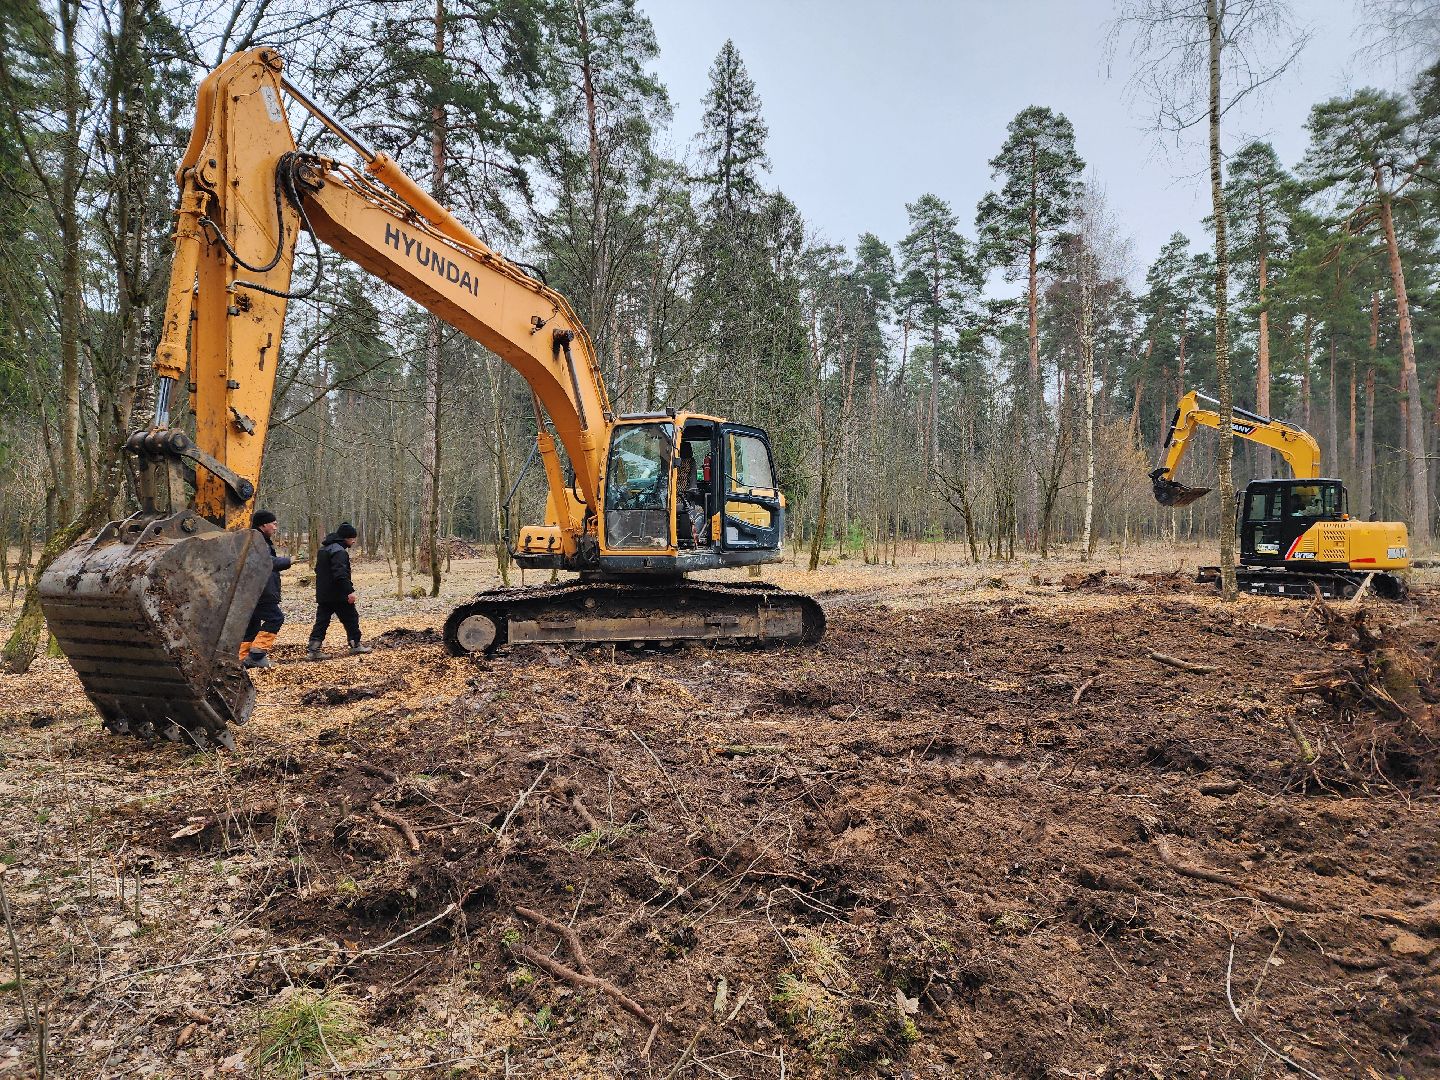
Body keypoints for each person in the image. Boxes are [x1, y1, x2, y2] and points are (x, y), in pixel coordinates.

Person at [308, 522, 372, 659]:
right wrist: (349, 591)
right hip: (338, 594)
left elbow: (318, 570)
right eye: (352, 538)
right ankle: (355, 645)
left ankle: (313, 649)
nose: (354, 541)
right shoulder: (339, 552)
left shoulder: (324, 549)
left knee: (321, 621)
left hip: (324, 594)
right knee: (351, 618)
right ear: (346, 538)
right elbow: (341, 574)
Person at [239, 510, 291, 670]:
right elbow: (266, 562)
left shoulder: (254, 539)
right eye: (273, 524)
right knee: (276, 618)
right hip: (261, 592)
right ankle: (256, 655)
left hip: (252, 592)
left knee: (252, 627)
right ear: (263, 524)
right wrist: (288, 561)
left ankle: (241, 660)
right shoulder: (258, 541)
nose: (275, 527)